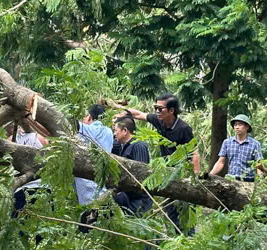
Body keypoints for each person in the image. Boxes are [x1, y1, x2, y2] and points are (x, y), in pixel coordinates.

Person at [126, 93, 200, 231]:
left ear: (171, 111)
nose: (157, 112)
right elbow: (139, 114)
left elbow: (194, 152)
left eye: (160, 109)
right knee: (171, 211)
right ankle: (175, 239)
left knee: (186, 210)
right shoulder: (158, 120)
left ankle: (189, 240)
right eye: (156, 108)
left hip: (182, 173)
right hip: (167, 174)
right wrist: (119, 109)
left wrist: (194, 177)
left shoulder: (183, 129)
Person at [111, 116, 153, 214]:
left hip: (139, 202)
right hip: (130, 199)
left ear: (125, 131)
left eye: (116, 130)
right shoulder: (123, 147)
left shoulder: (139, 146)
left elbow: (141, 175)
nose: (114, 134)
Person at [75, 104, 114, 206]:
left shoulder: (89, 129)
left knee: (89, 214)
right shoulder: (109, 132)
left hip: (88, 187)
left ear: (89, 116)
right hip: (103, 181)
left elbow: (73, 125)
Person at [9, 119, 47, 214]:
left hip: (21, 189)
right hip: (44, 187)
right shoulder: (40, 138)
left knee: (20, 224)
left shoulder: (9, 141)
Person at [209, 114, 263, 181]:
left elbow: (259, 164)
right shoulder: (227, 142)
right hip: (231, 179)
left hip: (248, 180)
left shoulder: (255, 144)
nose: (237, 127)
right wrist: (210, 175)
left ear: (247, 127)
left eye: (240, 125)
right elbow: (221, 162)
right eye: (235, 125)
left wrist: (260, 181)